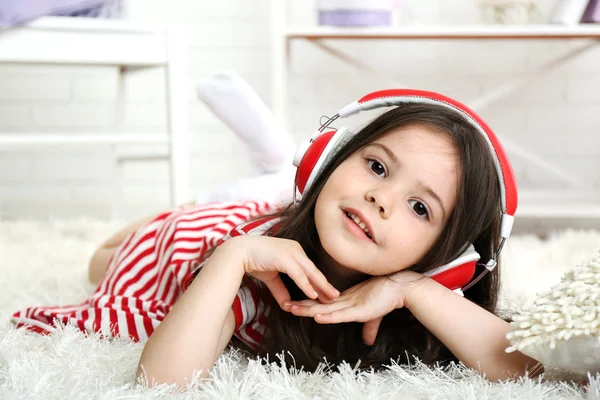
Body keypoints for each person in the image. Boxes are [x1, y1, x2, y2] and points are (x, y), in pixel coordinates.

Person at [11, 89, 540, 389]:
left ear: (447, 261)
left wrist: (416, 290)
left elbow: (529, 370)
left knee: (252, 201)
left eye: (420, 207)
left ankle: (262, 172)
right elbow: (162, 382)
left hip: (269, 221)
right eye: (376, 166)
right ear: (326, 162)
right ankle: (205, 201)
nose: (382, 199)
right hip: (197, 238)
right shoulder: (264, 281)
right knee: (99, 262)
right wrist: (234, 255)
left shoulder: (427, 293)